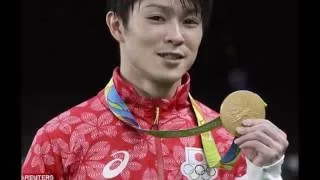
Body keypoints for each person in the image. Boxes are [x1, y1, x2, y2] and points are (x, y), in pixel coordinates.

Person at [21, 0, 289, 179]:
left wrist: (265, 172)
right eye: (157, 17)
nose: (176, 36)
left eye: (190, 22)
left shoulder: (231, 144)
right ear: (116, 25)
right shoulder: (59, 138)